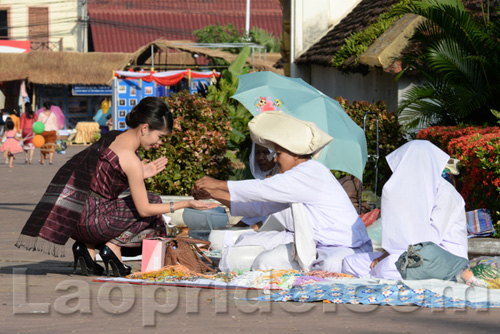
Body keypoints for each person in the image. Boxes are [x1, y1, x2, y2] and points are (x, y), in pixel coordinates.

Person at [15, 97, 218, 277]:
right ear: (145, 128)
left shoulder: (111, 137)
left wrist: (142, 172)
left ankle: (87, 250)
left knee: (127, 203)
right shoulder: (130, 159)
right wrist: (185, 203)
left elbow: (103, 179)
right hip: (95, 222)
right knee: (153, 202)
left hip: (74, 218)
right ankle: (113, 248)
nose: (159, 144)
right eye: (160, 137)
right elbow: (144, 209)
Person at [193, 112, 372, 273]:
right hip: (311, 244)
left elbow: (262, 189)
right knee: (251, 251)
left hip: (344, 247)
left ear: (295, 154)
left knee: (320, 267)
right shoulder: (293, 178)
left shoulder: (311, 172)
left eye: (279, 153)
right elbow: (257, 207)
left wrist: (218, 184)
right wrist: (213, 193)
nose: (275, 159)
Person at [342, 140, 468, 280]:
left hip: (444, 260)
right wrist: (387, 254)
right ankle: (378, 276)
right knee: (350, 262)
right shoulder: (409, 192)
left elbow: (430, 242)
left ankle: (378, 276)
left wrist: (390, 257)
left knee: (387, 267)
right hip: (405, 255)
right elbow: (398, 235)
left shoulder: (447, 194)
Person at [232, 142, 279, 231]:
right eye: (257, 153)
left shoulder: (281, 179)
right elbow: (254, 214)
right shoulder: (264, 179)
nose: (260, 158)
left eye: (266, 152)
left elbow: (275, 217)